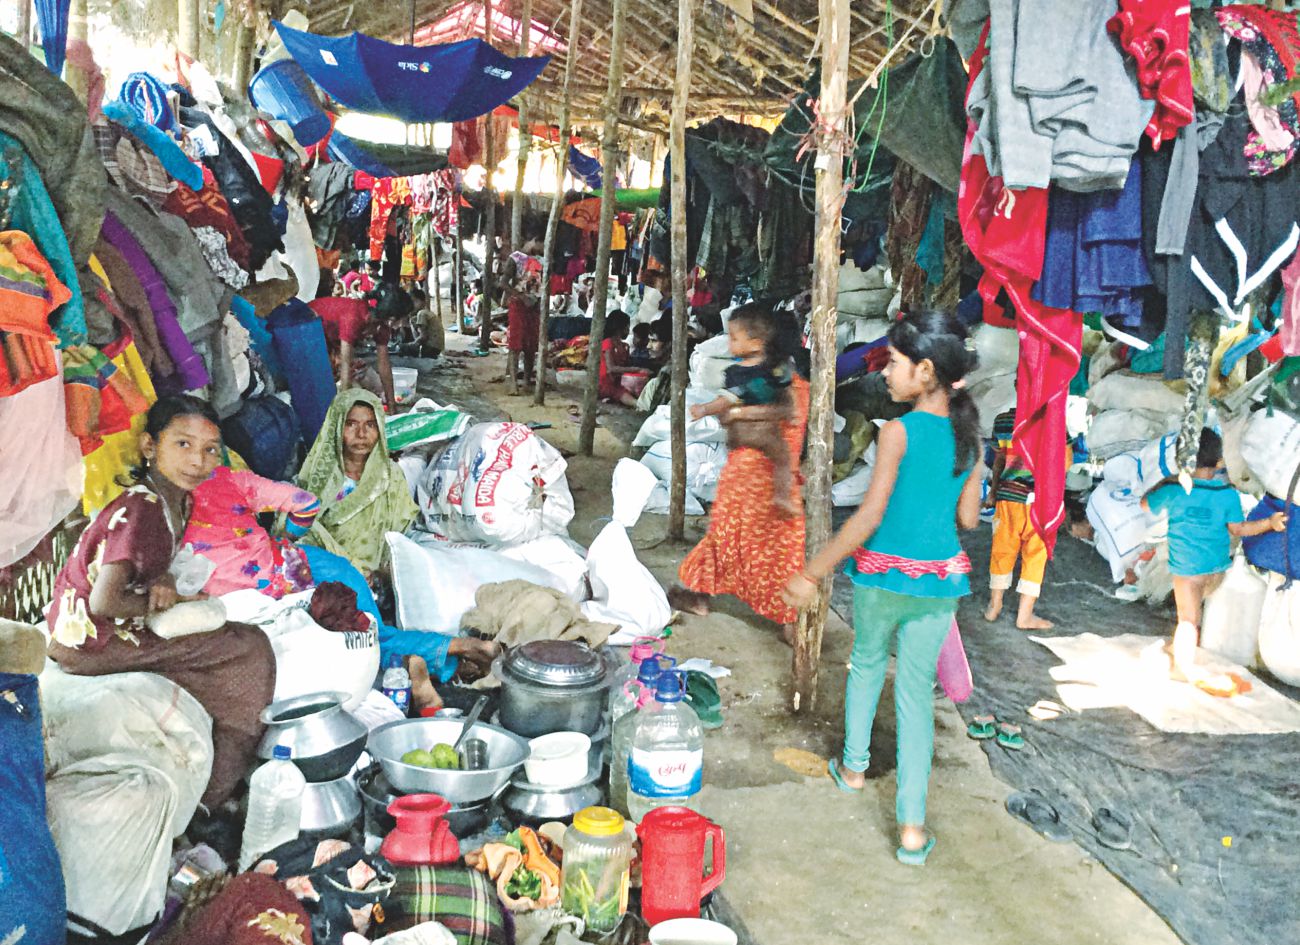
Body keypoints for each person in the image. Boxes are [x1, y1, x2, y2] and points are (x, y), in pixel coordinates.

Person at [781, 310, 984, 867]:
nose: (885, 373)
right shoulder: (970, 439)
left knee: (868, 664)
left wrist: (812, 571)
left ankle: (852, 767)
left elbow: (868, 516)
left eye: (893, 364)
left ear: (925, 371)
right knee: (916, 696)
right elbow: (969, 519)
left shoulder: (896, 433)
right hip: (942, 582)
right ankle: (913, 831)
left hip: (881, 576)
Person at [46, 395, 275, 809]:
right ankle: (215, 791)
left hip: (90, 632)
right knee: (249, 650)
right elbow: (104, 600)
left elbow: (143, 563)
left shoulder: (174, 499)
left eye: (209, 450)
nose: (198, 461)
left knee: (230, 637)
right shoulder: (143, 509)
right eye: (182, 445)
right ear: (150, 447)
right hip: (93, 641)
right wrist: (164, 605)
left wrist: (166, 578)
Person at [187, 466, 498, 700]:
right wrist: (285, 541)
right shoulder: (229, 478)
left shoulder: (158, 509)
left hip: (276, 594)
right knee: (371, 634)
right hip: (306, 563)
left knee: (358, 643)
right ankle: (451, 653)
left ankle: (432, 659)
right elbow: (306, 504)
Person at [671, 309, 809, 643]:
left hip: (751, 471)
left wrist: (735, 413)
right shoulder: (793, 385)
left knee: (728, 533)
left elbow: (764, 419)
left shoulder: (778, 384)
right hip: (775, 475)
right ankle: (790, 619)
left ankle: (702, 594)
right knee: (779, 545)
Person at [1141, 428, 1288, 680]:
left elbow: (1145, 504)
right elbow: (1240, 529)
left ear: (1181, 459)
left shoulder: (1175, 491)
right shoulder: (1227, 494)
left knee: (1188, 619)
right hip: (1217, 569)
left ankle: (1181, 668)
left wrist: (1168, 480)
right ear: (1220, 461)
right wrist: (1269, 523)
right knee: (1195, 614)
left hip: (1187, 571)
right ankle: (1182, 647)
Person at [690, 305, 798, 517]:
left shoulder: (735, 372)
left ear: (756, 343)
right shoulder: (776, 369)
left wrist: (704, 409)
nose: (729, 343)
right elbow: (788, 398)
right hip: (766, 434)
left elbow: (726, 400)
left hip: (740, 436)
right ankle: (782, 496)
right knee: (783, 459)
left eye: (733, 338)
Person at [296, 389, 415, 579]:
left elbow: (400, 534)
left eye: (370, 425)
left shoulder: (390, 476)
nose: (361, 434)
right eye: (351, 424)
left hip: (374, 579)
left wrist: (380, 574)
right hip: (325, 572)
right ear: (336, 427)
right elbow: (299, 531)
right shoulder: (319, 475)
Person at [982, 404, 1069, 629]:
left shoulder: (1002, 421)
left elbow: (999, 459)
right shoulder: (1052, 422)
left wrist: (993, 492)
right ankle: (1024, 615)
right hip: (1039, 502)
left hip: (1008, 497)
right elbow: (1065, 461)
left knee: (1002, 551)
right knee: (1035, 555)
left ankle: (994, 606)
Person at [308, 295, 397, 408]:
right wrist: (345, 408)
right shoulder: (353, 317)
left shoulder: (382, 326)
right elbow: (345, 364)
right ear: (391, 320)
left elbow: (384, 365)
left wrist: (391, 403)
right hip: (310, 334)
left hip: (330, 343)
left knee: (369, 380)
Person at [505, 257, 542, 394]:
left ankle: (526, 381)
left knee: (530, 345)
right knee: (515, 345)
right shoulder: (516, 258)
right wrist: (521, 297)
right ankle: (513, 384)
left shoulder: (543, 259)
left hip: (534, 306)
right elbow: (503, 283)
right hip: (518, 306)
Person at [598, 311, 646, 407]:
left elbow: (626, 366)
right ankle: (640, 406)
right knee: (628, 398)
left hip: (616, 382)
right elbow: (611, 368)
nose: (629, 330)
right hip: (604, 383)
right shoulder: (607, 343)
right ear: (619, 328)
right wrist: (637, 369)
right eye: (627, 327)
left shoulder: (625, 346)